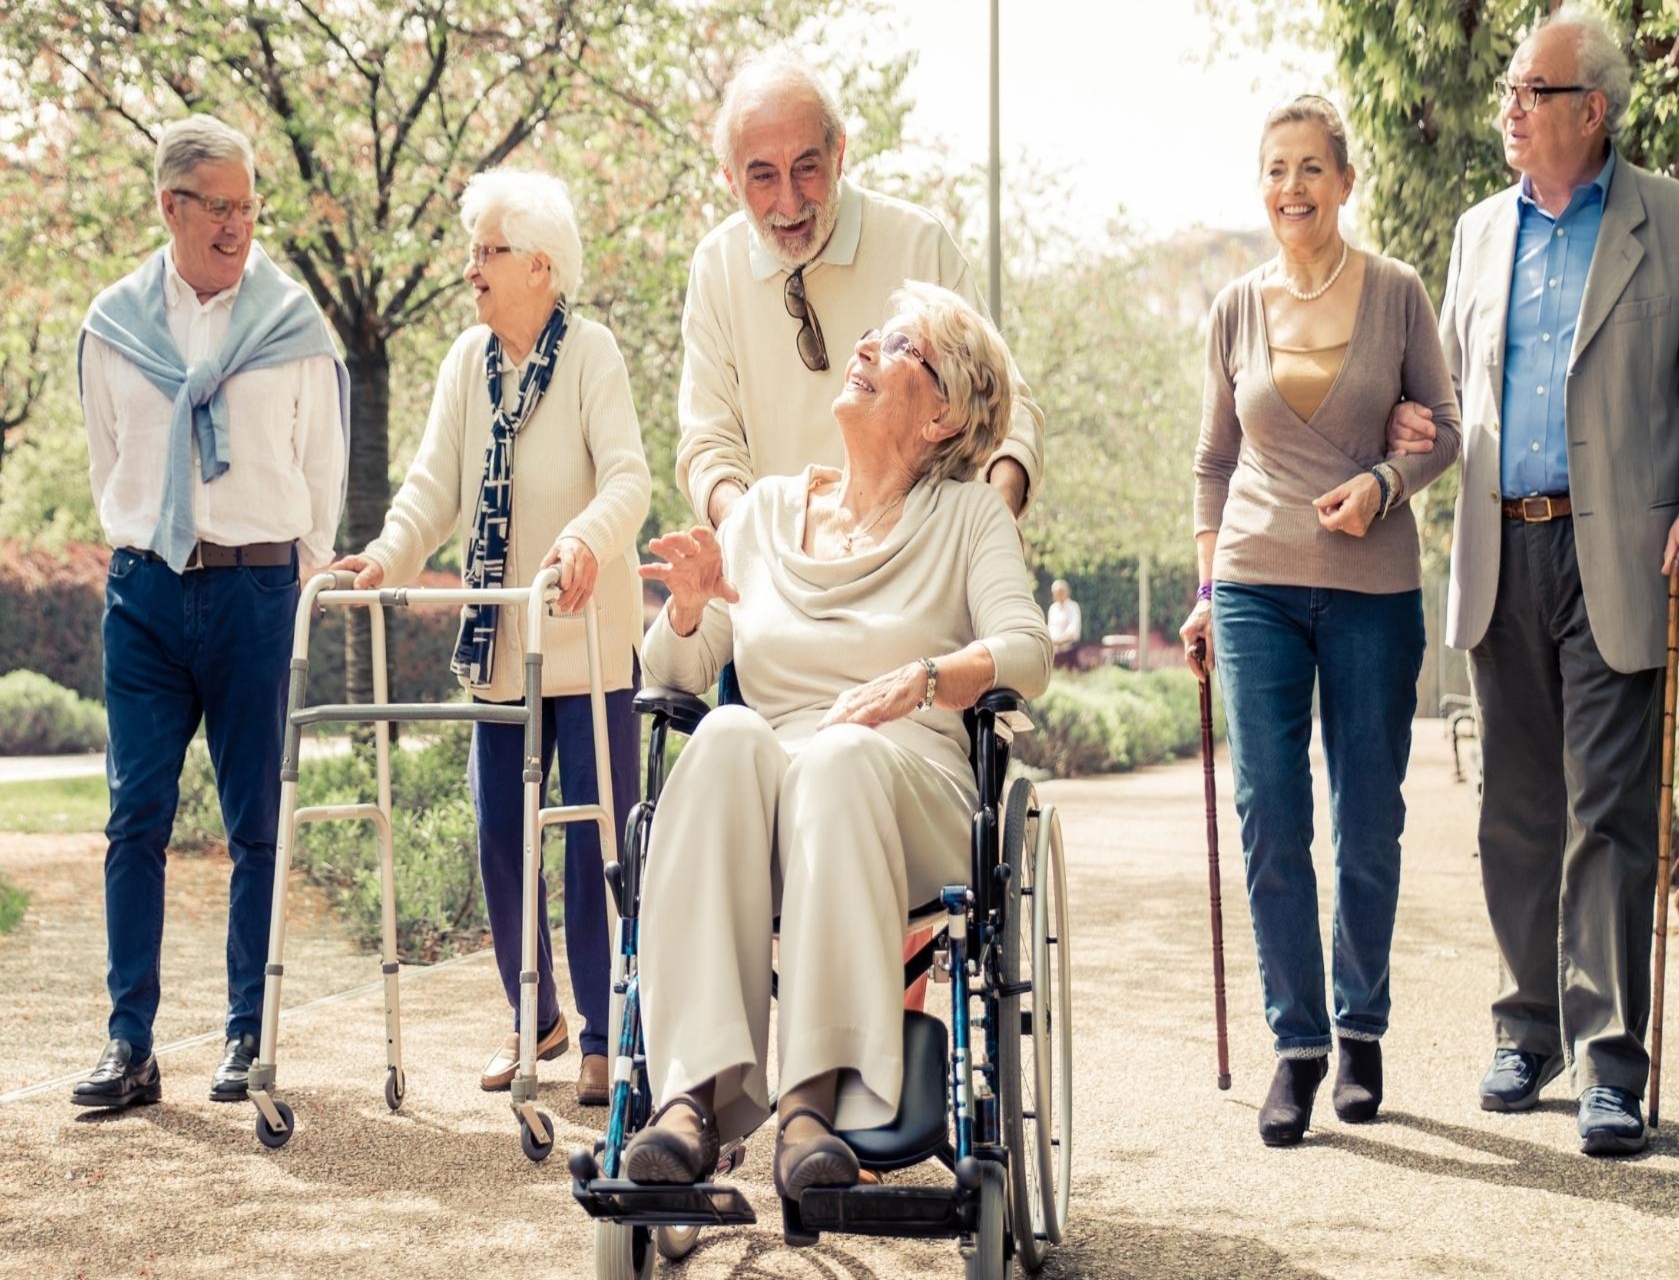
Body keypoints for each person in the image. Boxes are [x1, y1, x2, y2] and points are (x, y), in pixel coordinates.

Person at [623, 283, 1049, 1199]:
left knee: (840, 754)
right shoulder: (763, 515)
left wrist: (922, 681)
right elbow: (675, 673)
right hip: (779, 792)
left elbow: (1026, 649)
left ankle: (811, 1109)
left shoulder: (969, 517)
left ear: (943, 415)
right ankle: (690, 1100)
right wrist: (686, 610)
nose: (862, 349)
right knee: (726, 734)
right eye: (869, 336)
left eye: (897, 345)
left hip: (908, 791)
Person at [1430, 7, 1679, 1155]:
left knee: (1608, 814)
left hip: (1619, 550)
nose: (1510, 110)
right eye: (1509, 90)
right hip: (1501, 548)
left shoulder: (1676, 224)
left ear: (1593, 109)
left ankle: (1610, 1060)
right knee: (1514, 811)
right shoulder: (1479, 233)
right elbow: (1448, 394)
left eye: (1531, 91)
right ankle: (1526, 1028)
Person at [331, 168, 652, 1107]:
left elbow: (628, 478)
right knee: (502, 842)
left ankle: (606, 1035)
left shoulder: (592, 354)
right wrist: (384, 557)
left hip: (587, 645)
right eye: (472, 251)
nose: (471, 268)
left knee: (594, 845)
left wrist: (585, 540)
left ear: (541, 267)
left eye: (489, 252)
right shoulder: (466, 364)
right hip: (501, 648)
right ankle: (533, 1019)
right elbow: (433, 488)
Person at [1179, 96, 1461, 1148]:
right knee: (1268, 810)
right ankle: (1297, 1045)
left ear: (1344, 181)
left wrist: (1385, 483)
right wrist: (1206, 591)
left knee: (1368, 816)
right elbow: (1213, 463)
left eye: (1310, 168)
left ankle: (1361, 1027)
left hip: (1372, 588)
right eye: (1275, 170)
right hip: (1253, 581)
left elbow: (1446, 431)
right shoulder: (1234, 308)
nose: (1291, 187)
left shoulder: (1397, 294)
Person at [71, 114, 348, 1110]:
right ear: (171, 207)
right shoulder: (113, 327)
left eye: (248, 207)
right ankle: (130, 1043)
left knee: (256, 824)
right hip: (146, 594)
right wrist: (152, 549)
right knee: (133, 817)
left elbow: (322, 475)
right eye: (219, 208)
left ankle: (245, 1034)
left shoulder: (293, 324)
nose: (237, 226)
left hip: (254, 593)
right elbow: (109, 463)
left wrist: (289, 584)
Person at [676, 50, 1044, 529]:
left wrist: (996, 515)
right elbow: (710, 446)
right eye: (763, 176)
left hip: (913, 559)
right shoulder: (715, 266)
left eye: (807, 168)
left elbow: (1002, 409)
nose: (789, 201)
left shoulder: (919, 243)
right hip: (777, 562)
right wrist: (758, 544)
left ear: (839, 153)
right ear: (731, 180)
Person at [1047, 578, 1082, 663]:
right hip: (1054, 652)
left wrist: (1059, 641)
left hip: (1069, 652)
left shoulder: (1073, 607)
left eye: (1061, 591)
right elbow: (1050, 628)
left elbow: (1073, 629)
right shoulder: (1052, 608)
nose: (1059, 594)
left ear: (1067, 592)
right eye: (1056, 592)